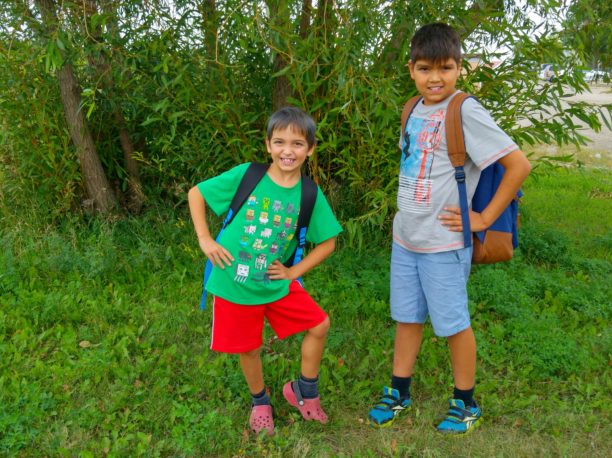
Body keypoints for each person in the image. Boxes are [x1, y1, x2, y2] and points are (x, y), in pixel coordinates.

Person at [367, 23, 531, 434]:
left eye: (445, 68)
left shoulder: (465, 110)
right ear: (411, 70)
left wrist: (483, 218)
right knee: (407, 317)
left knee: (453, 323)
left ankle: (465, 402)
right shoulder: (411, 108)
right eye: (425, 69)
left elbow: (518, 165)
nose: (435, 78)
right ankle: (398, 390)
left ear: (459, 68)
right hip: (406, 238)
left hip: (444, 243)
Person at [188, 106, 342, 435]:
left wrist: (293, 271)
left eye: (298, 144)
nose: (288, 150)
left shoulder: (309, 194)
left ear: (311, 149)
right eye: (280, 142)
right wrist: (205, 239)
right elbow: (196, 193)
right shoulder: (249, 175)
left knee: (319, 324)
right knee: (249, 347)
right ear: (268, 145)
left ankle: (304, 391)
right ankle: (260, 401)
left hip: (274, 281)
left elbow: (328, 242)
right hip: (234, 280)